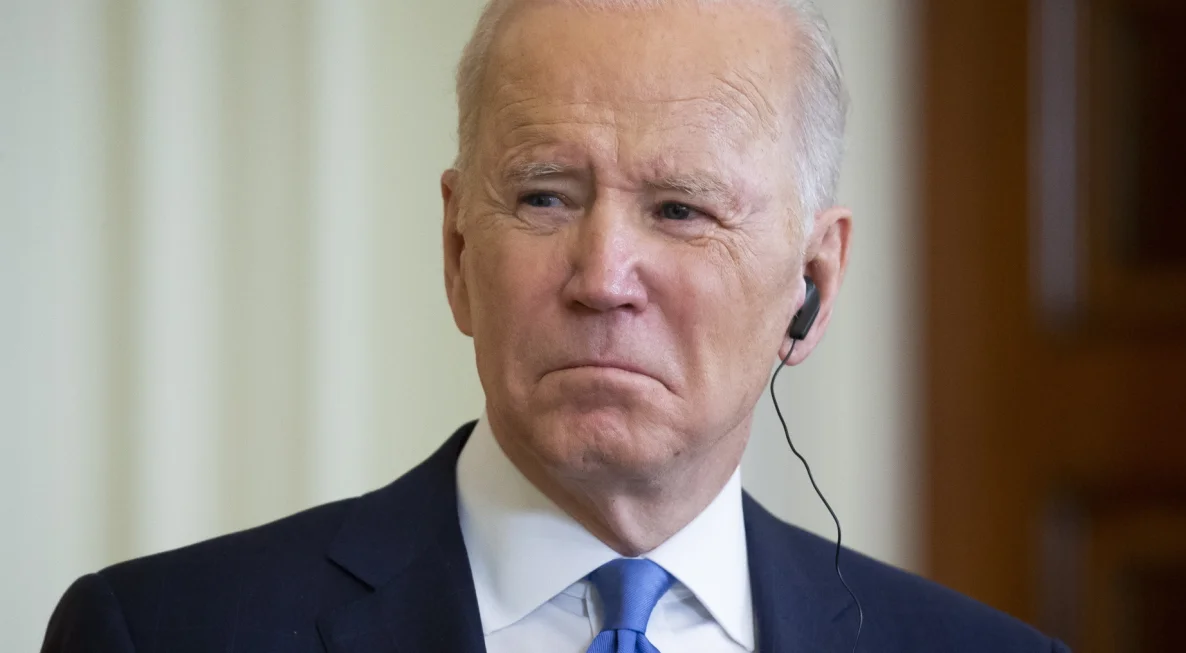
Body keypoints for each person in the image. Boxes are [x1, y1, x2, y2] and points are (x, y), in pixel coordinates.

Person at [42, 1, 1069, 651]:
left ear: (811, 279)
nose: (601, 276)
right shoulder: (168, 632)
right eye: (542, 196)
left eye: (679, 208)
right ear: (455, 249)